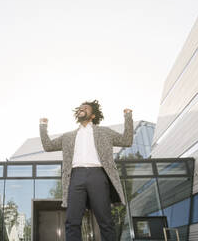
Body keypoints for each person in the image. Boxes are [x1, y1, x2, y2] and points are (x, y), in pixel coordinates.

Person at [39, 100, 133, 241]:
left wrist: (128, 117)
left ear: (93, 115)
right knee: (72, 221)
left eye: (86, 107)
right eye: (80, 108)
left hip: (98, 175)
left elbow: (127, 140)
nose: (82, 109)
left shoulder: (104, 132)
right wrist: (43, 126)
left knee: (105, 221)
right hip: (75, 176)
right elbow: (48, 146)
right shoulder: (68, 136)